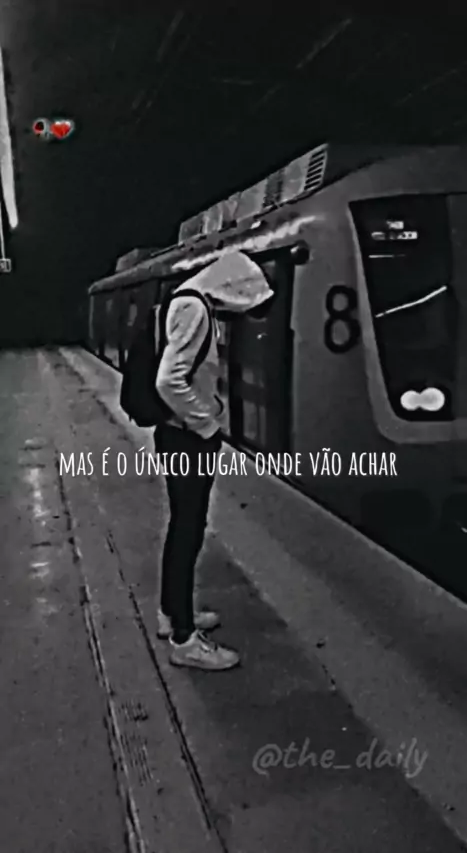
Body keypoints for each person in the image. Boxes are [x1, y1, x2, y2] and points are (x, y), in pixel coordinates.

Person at [154, 250, 274, 670]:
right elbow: (169, 381)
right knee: (188, 529)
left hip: (179, 435)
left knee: (183, 527)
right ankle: (185, 641)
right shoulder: (195, 309)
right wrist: (206, 425)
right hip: (187, 438)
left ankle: (172, 614)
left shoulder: (187, 300)